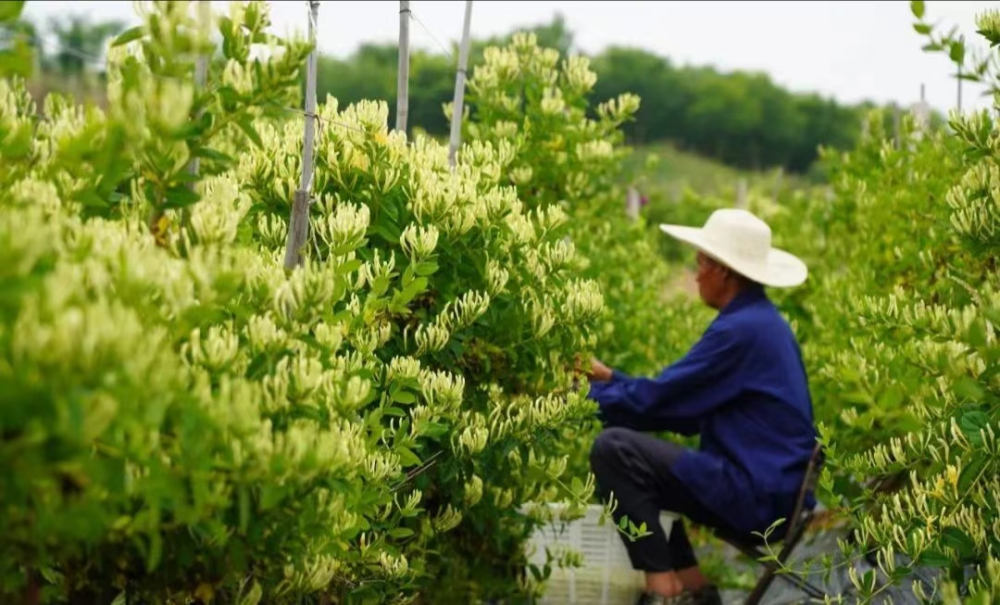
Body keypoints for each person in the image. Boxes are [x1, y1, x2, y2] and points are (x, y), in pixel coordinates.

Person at [585, 208, 818, 605]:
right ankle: (696, 590)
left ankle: (664, 592)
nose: (695, 275)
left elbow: (661, 403)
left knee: (615, 451)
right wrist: (610, 381)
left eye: (700, 264)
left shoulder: (741, 331)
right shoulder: (759, 322)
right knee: (650, 471)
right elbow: (682, 408)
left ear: (724, 272)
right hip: (772, 491)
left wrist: (579, 397)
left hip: (756, 496)